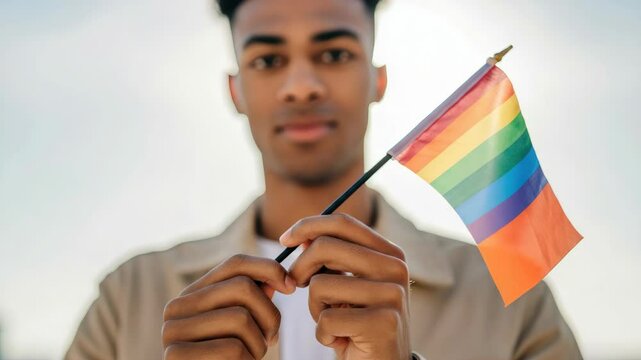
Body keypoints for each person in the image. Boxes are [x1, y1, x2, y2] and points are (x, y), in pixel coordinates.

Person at [65, 0, 582, 359]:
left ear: (377, 79)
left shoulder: (507, 300)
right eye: (268, 60)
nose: (302, 87)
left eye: (333, 54)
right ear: (235, 90)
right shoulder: (129, 299)